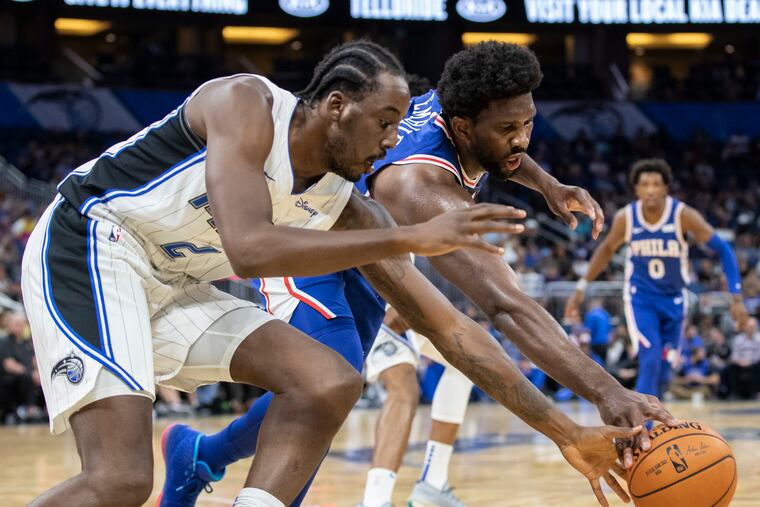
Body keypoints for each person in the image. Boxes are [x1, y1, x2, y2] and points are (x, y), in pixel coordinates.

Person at [21, 40, 535, 507]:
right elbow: (246, 249)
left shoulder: (343, 202)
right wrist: (410, 237)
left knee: (330, 380)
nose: (393, 140)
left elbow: (449, 327)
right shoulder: (246, 103)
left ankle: (210, 462)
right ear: (338, 106)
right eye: (385, 122)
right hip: (92, 243)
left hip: (174, 280)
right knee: (120, 480)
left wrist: (570, 433)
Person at [162, 42, 676, 507]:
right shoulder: (417, 186)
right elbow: (506, 308)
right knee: (329, 382)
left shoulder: (455, 104)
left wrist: (548, 185)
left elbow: (508, 151)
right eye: (507, 130)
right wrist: (608, 392)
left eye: (529, 123)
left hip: (376, 259)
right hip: (314, 240)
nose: (521, 138)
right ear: (462, 128)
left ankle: (202, 454)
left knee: (332, 391)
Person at [566, 158, 749, 399]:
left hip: (674, 300)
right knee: (650, 358)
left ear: (665, 188)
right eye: (645, 184)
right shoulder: (627, 217)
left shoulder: (683, 215)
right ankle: (644, 430)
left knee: (665, 370)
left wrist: (736, 298)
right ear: (636, 189)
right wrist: (580, 289)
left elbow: (724, 250)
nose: (650, 189)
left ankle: (652, 418)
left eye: (656, 184)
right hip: (641, 299)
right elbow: (606, 249)